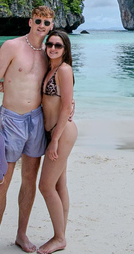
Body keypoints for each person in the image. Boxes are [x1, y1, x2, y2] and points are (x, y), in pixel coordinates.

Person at [0, 6, 54, 254]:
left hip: (36, 120)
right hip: (10, 120)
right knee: (1, 181)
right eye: (38, 21)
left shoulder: (49, 52)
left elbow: (58, 82)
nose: (42, 26)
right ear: (30, 22)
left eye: (47, 23)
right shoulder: (12, 46)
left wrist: (71, 102)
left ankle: (21, 235)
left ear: (51, 26)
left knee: (29, 181)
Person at [37, 30, 78, 254]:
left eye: (58, 46)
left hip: (61, 133)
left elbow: (64, 108)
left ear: (65, 50)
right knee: (59, 184)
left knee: (45, 186)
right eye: (50, 44)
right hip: (52, 132)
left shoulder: (64, 69)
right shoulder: (50, 68)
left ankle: (59, 238)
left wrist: (54, 140)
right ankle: (61, 232)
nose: (52, 48)